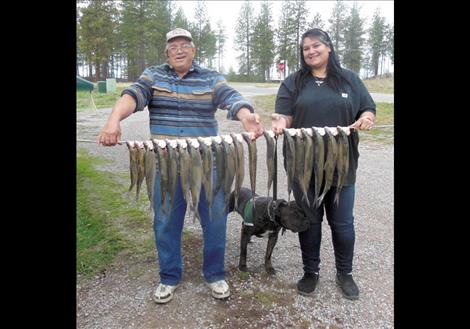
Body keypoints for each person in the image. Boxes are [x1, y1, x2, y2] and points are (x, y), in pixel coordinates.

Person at [97, 28, 264, 303]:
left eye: (184, 45)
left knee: (215, 218)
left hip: (207, 162)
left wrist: (246, 117)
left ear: (193, 50)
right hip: (164, 164)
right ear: (166, 52)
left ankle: (215, 274)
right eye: (173, 46)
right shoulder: (153, 75)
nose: (179, 50)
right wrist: (114, 119)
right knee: (165, 221)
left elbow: (231, 97)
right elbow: (133, 95)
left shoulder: (210, 77)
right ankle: (169, 276)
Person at [271, 28, 376, 300]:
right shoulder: (293, 82)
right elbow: (285, 116)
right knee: (309, 222)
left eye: (316, 45)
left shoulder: (349, 80)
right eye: (305, 48)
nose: (310, 51)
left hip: (342, 167)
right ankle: (310, 271)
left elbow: (367, 108)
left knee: (343, 225)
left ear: (328, 47)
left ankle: (345, 272)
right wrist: (280, 123)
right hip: (303, 167)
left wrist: (366, 117)